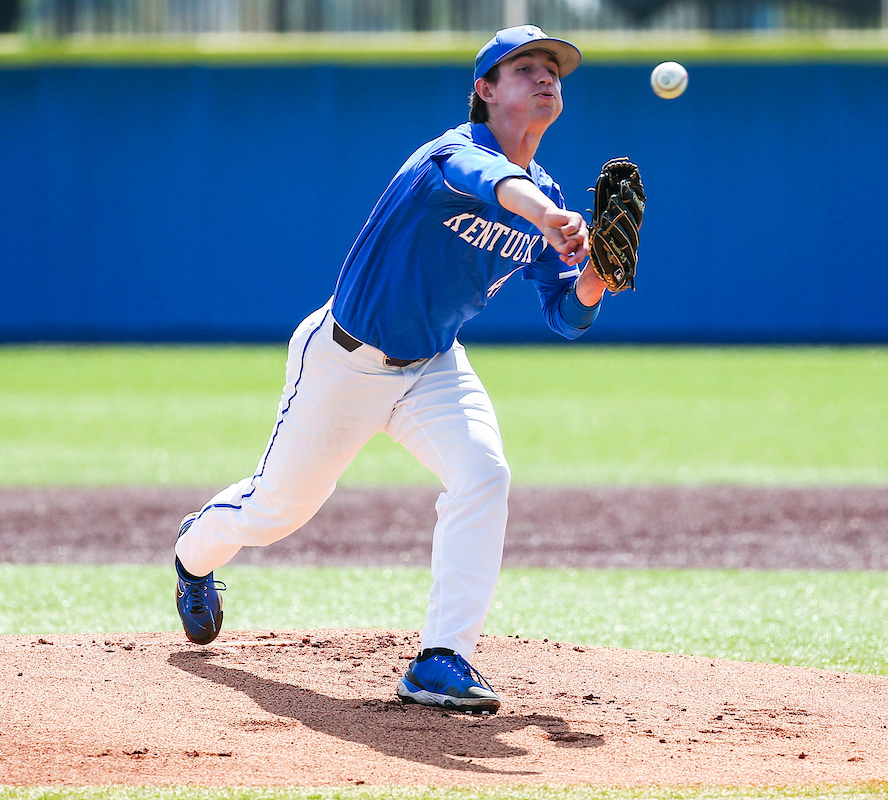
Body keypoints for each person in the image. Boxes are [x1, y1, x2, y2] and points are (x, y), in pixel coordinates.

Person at [173, 25, 609, 716]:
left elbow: (566, 315)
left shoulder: (548, 192)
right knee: (278, 510)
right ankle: (193, 555)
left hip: (434, 364)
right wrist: (550, 215)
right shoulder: (452, 155)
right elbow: (497, 184)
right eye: (524, 67)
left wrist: (598, 274)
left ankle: (441, 659)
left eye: (553, 68)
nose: (545, 76)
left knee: (484, 475)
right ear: (485, 89)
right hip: (343, 361)